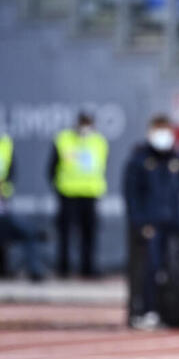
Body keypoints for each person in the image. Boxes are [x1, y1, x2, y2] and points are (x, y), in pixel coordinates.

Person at [123, 115, 179, 330]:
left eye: (166, 130)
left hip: (172, 225)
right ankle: (143, 311)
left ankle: (168, 312)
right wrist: (140, 223)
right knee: (146, 269)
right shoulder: (139, 160)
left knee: (170, 270)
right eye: (159, 130)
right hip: (149, 225)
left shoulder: (176, 160)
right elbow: (132, 196)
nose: (163, 136)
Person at [48, 112, 108, 278]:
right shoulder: (64, 139)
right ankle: (64, 268)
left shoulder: (98, 141)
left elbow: (102, 166)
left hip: (90, 193)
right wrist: (59, 187)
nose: (85, 128)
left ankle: (87, 268)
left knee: (89, 233)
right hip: (68, 193)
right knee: (65, 233)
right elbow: (52, 167)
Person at [0, 132, 46, 281]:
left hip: (4, 215)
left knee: (30, 231)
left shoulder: (5, 144)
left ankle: (35, 271)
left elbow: (10, 176)